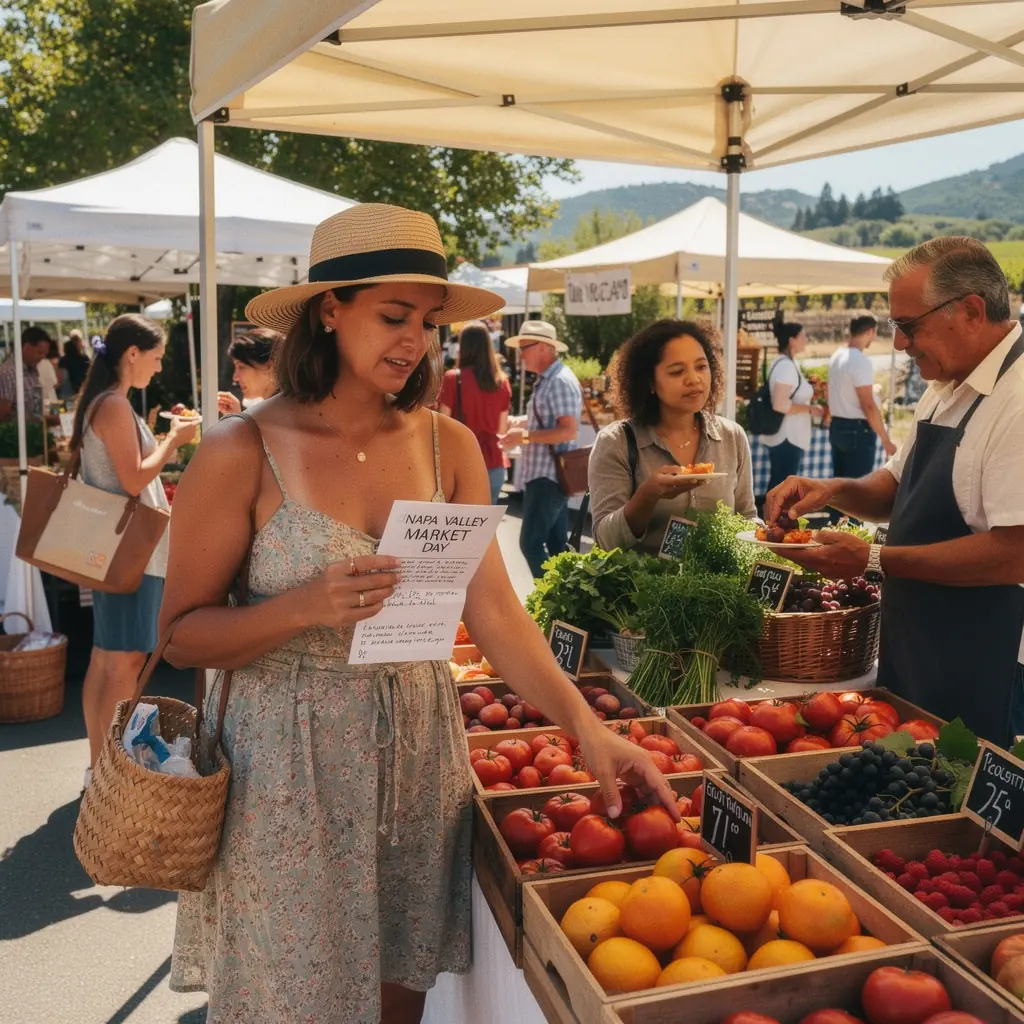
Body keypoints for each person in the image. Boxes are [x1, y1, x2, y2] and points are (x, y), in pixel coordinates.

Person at [158, 204, 674, 1024]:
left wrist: (587, 725)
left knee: (403, 996)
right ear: (330, 309)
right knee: (288, 998)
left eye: (429, 324)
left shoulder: (450, 446)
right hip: (284, 765)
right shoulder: (237, 449)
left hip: (417, 755)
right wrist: (301, 607)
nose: (414, 342)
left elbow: (498, 613)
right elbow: (181, 633)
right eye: (393, 316)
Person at [765, 237, 1024, 744]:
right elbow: (895, 487)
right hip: (921, 644)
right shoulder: (948, 381)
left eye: (909, 325)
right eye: (894, 327)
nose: (900, 343)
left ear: (971, 311)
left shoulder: (1018, 401)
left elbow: (1015, 553)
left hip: (988, 661)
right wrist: (831, 489)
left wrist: (876, 560)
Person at [72, 315, 198, 785]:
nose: (159, 366)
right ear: (132, 355)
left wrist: (163, 436)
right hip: (132, 551)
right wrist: (173, 440)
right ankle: (112, 771)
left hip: (114, 549)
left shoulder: (105, 403)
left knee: (107, 659)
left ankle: (99, 767)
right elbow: (134, 479)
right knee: (122, 662)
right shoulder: (113, 406)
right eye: (157, 356)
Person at [589, 319, 756, 554]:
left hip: (720, 588)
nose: (694, 379)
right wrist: (648, 495)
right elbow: (605, 540)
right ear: (649, 382)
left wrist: (773, 535)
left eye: (701, 366)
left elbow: (747, 518)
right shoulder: (616, 442)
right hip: (641, 587)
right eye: (677, 371)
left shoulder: (732, 436)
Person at [499, 320, 583, 578]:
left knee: (531, 543)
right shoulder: (551, 379)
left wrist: (523, 436)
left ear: (544, 348)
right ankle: (568, 603)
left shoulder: (558, 381)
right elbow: (551, 419)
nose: (520, 354)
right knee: (558, 547)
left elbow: (568, 430)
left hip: (548, 477)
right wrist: (523, 423)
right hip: (547, 476)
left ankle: (551, 602)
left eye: (525, 347)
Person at [438, 320, 512, 504]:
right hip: (494, 464)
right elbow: (502, 430)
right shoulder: (501, 382)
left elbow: (441, 425)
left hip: (462, 465)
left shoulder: (453, 379)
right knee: (486, 531)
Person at [828, 314, 897, 479]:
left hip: (837, 425)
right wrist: (885, 440)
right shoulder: (859, 361)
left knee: (839, 489)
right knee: (857, 490)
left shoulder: (836, 356)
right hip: (857, 432)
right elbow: (868, 405)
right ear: (869, 331)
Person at [758, 321, 820, 494]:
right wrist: (810, 409)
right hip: (787, 436)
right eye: (803, 336)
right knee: (782, 484)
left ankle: (773, 519)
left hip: (787, 435)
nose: (806, 340)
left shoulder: (784, 363)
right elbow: (780, 404)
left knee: (780, 482)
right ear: (792, 340)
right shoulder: (786, 366)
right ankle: (774, 520)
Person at [216, 326, 281, 415]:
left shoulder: (279, 415)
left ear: (269, 366)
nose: (235, 377)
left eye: (241, 367)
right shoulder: (275, 410)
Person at [0, 326, 53, 423]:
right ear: (26, 347)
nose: (42, 357)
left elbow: (37, 409)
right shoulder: (7, 373)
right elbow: (3, 416)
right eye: (39, 352)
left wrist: (49, 419)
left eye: (45, 354)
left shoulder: (33, 371)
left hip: (34, 432)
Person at [60, 330, 92, 397]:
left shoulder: (63, 360)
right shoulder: (84, 358)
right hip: (83, 388)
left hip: (68, 391)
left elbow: (62, 377)